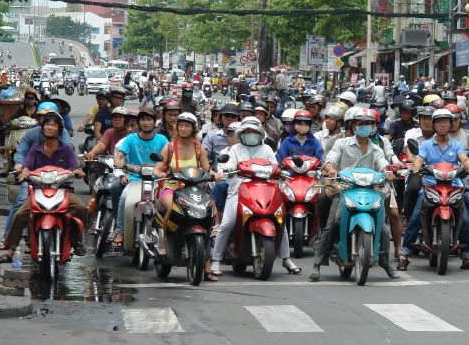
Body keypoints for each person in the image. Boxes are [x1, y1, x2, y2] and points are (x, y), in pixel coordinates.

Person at [311, 108, 397, 282]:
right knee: (333, 222)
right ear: (354, 126)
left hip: (371, 190)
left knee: (384, 228)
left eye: (369, 124)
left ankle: (385, 261)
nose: (366, 127)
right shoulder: (341, 144)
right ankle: (317, 263)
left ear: (374, 127)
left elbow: (383, 164)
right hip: (344, 190)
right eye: (361, 124)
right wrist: (332, 170)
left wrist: (387, 172)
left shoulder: (376, 149)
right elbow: (329, 161)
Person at [0, 109, 88, 262]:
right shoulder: (36, 148)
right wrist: (23, 171)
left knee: (81, 209)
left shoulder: (66, 149)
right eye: (47, 125)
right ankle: (10, 251)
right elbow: (27, 165)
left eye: (53, 125)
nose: (49, 128)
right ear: (42, 127)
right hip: (39, 191)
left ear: (59, 129)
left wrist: (78, 171)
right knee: (19, 215)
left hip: (63, 191)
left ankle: (77, 241)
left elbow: (74, 166)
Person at [211, 117, 297, 275]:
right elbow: (228, 165)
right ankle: (216, 260)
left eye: (253, 131)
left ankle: (286, 259)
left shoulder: (267, 150)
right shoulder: (235, 149)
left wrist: (281, 171)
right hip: (239, 190)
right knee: (227, 223)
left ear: (260, 133)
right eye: (247, 131)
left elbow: (275, 166)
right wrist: (227, 169)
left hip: (266, 190)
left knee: (280, 221)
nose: (250, 134)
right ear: (241, 134)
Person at [401, 109, 469, 270]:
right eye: (439, 122)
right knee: (417, 215)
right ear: (434, 125)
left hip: (453, 186)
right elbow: (419, 159)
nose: (443, 125)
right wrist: (416, 168)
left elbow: (464, 158)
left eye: (446, 122)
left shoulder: (456, 144)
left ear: (451, 124)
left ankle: (467, 257)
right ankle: (404, 253)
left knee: (465, 220)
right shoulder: (426, 145)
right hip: (430, 185)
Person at [153, 112, 217, 278]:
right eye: (180, 125)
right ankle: (162, 243)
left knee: (209, 216)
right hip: (172, 187)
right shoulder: (170, 146)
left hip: (194, 189)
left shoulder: (198, 147)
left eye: (187, 125)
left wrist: (216, 175)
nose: (183, 128)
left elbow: (207, 169)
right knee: (171, 207)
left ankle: (207, 266)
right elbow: (157, 168)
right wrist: (160, 174)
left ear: (193, 128)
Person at [111, 106, 168, 251]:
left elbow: (169, 158)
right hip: (135, 179)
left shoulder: (162, 139)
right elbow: (120, 154)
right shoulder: (131, 139)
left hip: (156, 180)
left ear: (155, 122)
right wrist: (118, 161)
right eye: (142, 119)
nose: (145, 123)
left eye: (149, 119)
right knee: (125, 199)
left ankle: (167, 238)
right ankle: (120, 231)